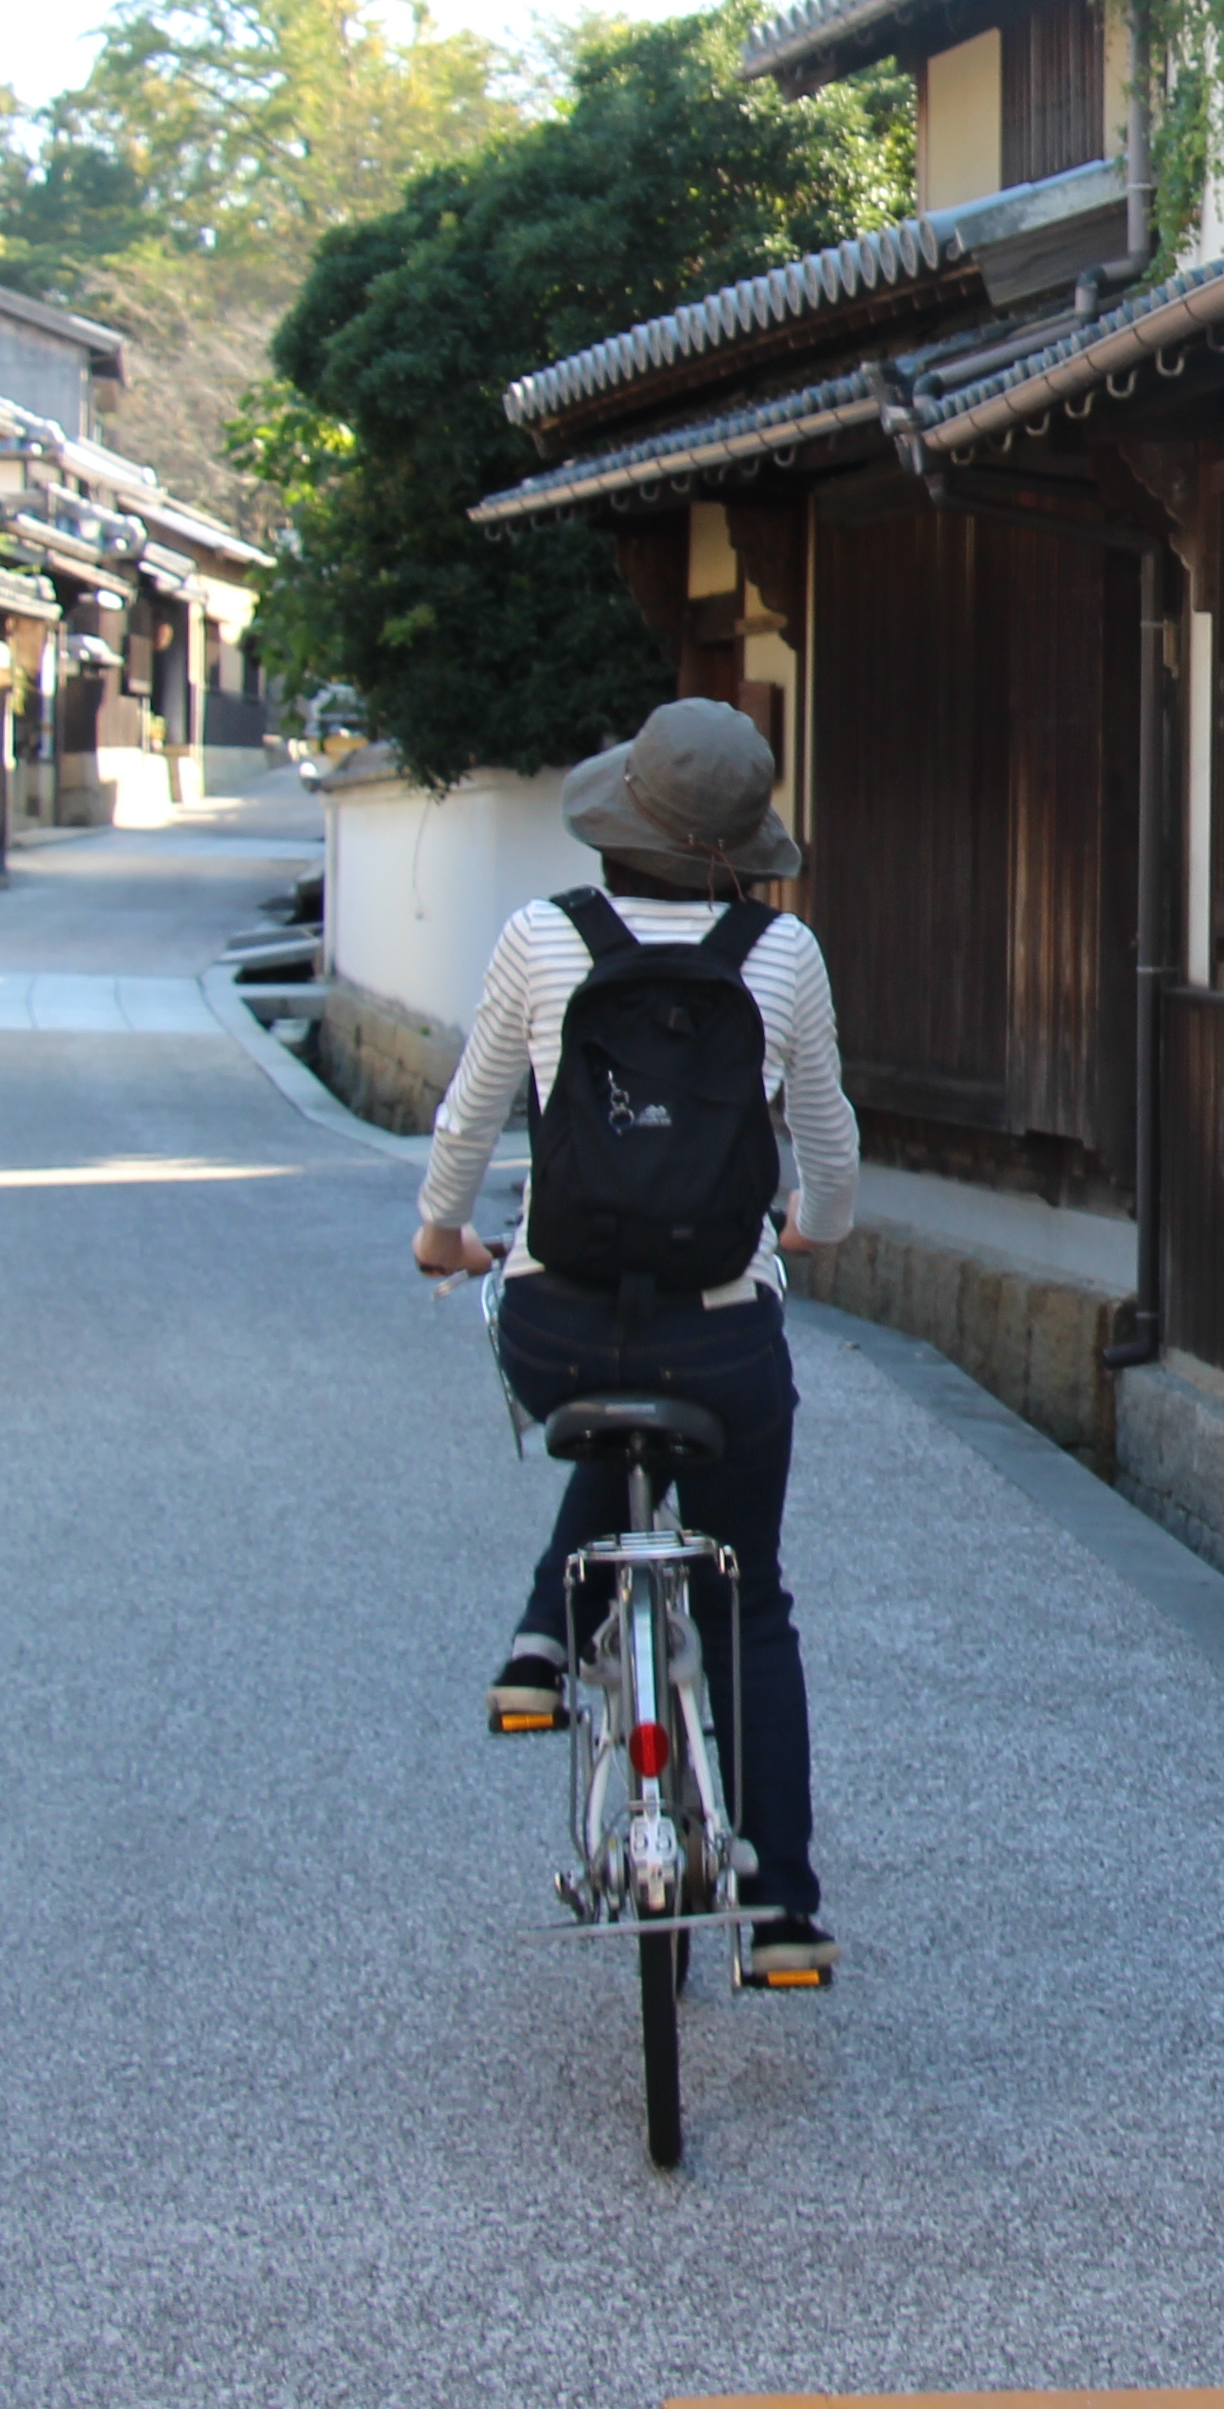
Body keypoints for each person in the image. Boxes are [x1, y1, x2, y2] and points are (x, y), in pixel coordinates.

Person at [413, 697, 852, 1981]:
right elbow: (825, 1145)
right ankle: (779, 1915)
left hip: (559, 1334)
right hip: (722, 1340)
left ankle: (553, 1625)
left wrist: (445, 1237)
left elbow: (466, 1121)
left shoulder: (542, 941)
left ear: (622, 822)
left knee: (613, 1371)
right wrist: (814, 1226)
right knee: (749, 1600)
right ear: (737, 846)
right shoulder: (784, 958)